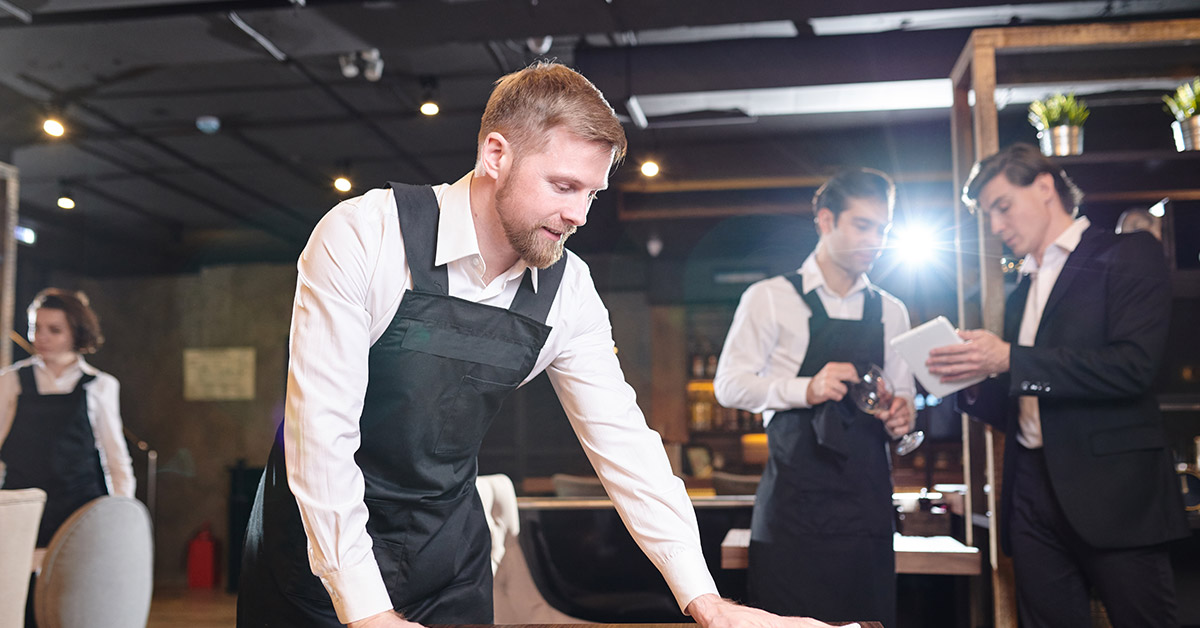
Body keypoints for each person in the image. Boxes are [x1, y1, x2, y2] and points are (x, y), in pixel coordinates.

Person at [238, 62, 843, 628]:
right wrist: (368, 612)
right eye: (563, 185)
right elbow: (320, 436)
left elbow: (625, 442)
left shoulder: (568, 289)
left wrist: (704, 600)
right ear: (495, 154)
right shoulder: (364, 236)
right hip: (317, 555)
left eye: (592, 194)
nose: (579, 213)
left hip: (446, 556)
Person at [927, 143, 1188, 627]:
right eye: (988, 216)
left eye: (1002, 206)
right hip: (1029, 489)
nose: (996, 226)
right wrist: (969, 382)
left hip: (1114, 492)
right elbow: (1026, 397)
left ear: (1045, 187)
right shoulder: (1021, 288)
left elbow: (1133, 368)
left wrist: (1009, 357)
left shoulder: (1128, 253)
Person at [713, 168, 916, 628]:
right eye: (862, 226)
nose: (875, 240)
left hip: (866, 511)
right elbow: (729, 384)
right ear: (826, 220)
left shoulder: (892, 310)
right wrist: (806, 388)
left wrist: (902, 410)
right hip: (794, 511)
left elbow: (900, 394)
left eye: (882, 229)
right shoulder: (769, 298)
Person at [0, 288, 136, 548]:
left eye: (54, 330)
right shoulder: (10, 380)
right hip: (21, 505)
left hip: (79, 507)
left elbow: (115, 459)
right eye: (35, 327)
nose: (41, 337)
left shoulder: (100, 385)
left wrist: (122, 515)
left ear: (76, 332)